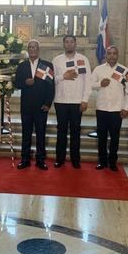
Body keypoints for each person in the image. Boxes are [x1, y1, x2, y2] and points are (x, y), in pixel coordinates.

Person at [52, 35, 92, 169]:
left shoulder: (83, 59)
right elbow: (51, 79)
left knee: (75, 131)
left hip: (77, 101)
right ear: (63, 44)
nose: (69, 44)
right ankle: (60, 159)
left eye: (71, 42)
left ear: (75, 44)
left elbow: (88, 81)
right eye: (67, 42)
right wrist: (63, 76)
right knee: (61, 131)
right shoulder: (57, 60)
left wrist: (85, 100)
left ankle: (75, 159)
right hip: (61, 100)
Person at [14, 40, 55, 170]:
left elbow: (51, 86)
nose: (33, 49)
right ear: (28, 49)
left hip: (41, 107)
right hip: (26, 106)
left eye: (35, 47)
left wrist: (48, 103)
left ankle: (40, 160)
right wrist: (25, 82)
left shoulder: (46, 65)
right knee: (26, 134)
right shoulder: (22, 66)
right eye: (30, 47)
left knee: (41, 134)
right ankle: (25, 159)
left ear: (39, 49)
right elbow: (17, 83)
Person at [91, 46, 128, 171]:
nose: (112, 56)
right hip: (102, 108)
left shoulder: (124, 70)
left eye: (114, 53)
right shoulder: (98, 69)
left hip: (117, 109)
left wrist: (126, 108)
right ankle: (102, 161)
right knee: (102, 137)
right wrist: (100, 84)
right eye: (109, 53)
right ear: (105, 55)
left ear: (117, 55)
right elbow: (90, 84)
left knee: (115, 138)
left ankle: (112, 162)